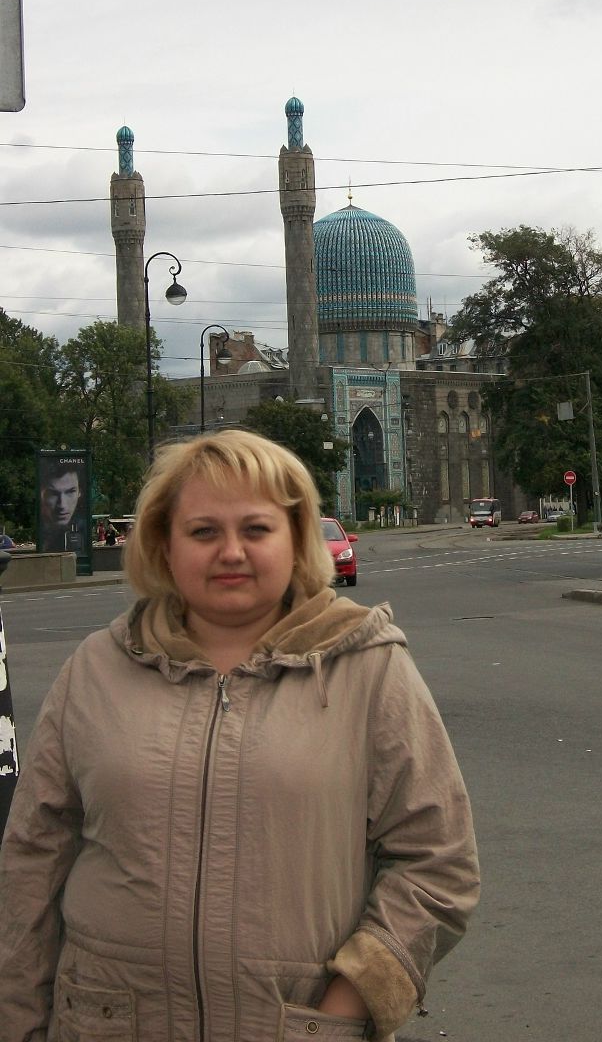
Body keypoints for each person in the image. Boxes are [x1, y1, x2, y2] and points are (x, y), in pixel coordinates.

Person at [0, 430, 479, 1041]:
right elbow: (33, 861)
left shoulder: (367, 669)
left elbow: (438, 863)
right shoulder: (97, 669)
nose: (231, 552)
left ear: (295, 539)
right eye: (203, 531)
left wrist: (347, 1004)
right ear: (164, 545)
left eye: (256, 529)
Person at [39, 466, 84, 552]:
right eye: (53, 493)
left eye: (70, 492)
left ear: (79, 492)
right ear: (41, 495)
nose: (62, 505)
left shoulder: (83, 529)